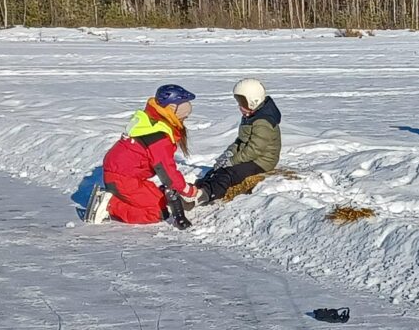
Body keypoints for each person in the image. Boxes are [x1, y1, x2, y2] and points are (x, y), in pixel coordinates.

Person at [86, 84, 200, 224]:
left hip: (123, 174)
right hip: (123, 178)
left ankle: (117, 197)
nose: (186, 116)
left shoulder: (152, 120)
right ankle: (110, 205)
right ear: (171, 109)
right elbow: (167, 171)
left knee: (163, 201)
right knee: (158, 212)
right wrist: (187, 190)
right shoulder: (159, 135)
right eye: (184, 110)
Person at [194, 78, 281, 204]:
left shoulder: (262, 122)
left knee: (229, 173)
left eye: (242, 102)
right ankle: (200, 187)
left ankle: (206, 195)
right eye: (238, 101)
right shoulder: (250, 116)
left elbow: (255, 149)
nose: (239, 106)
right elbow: (241, 140)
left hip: (262, 160)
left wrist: (233, 161)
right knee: (218, 168)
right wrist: (229, 153)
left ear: (253, 101)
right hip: (251, 156)